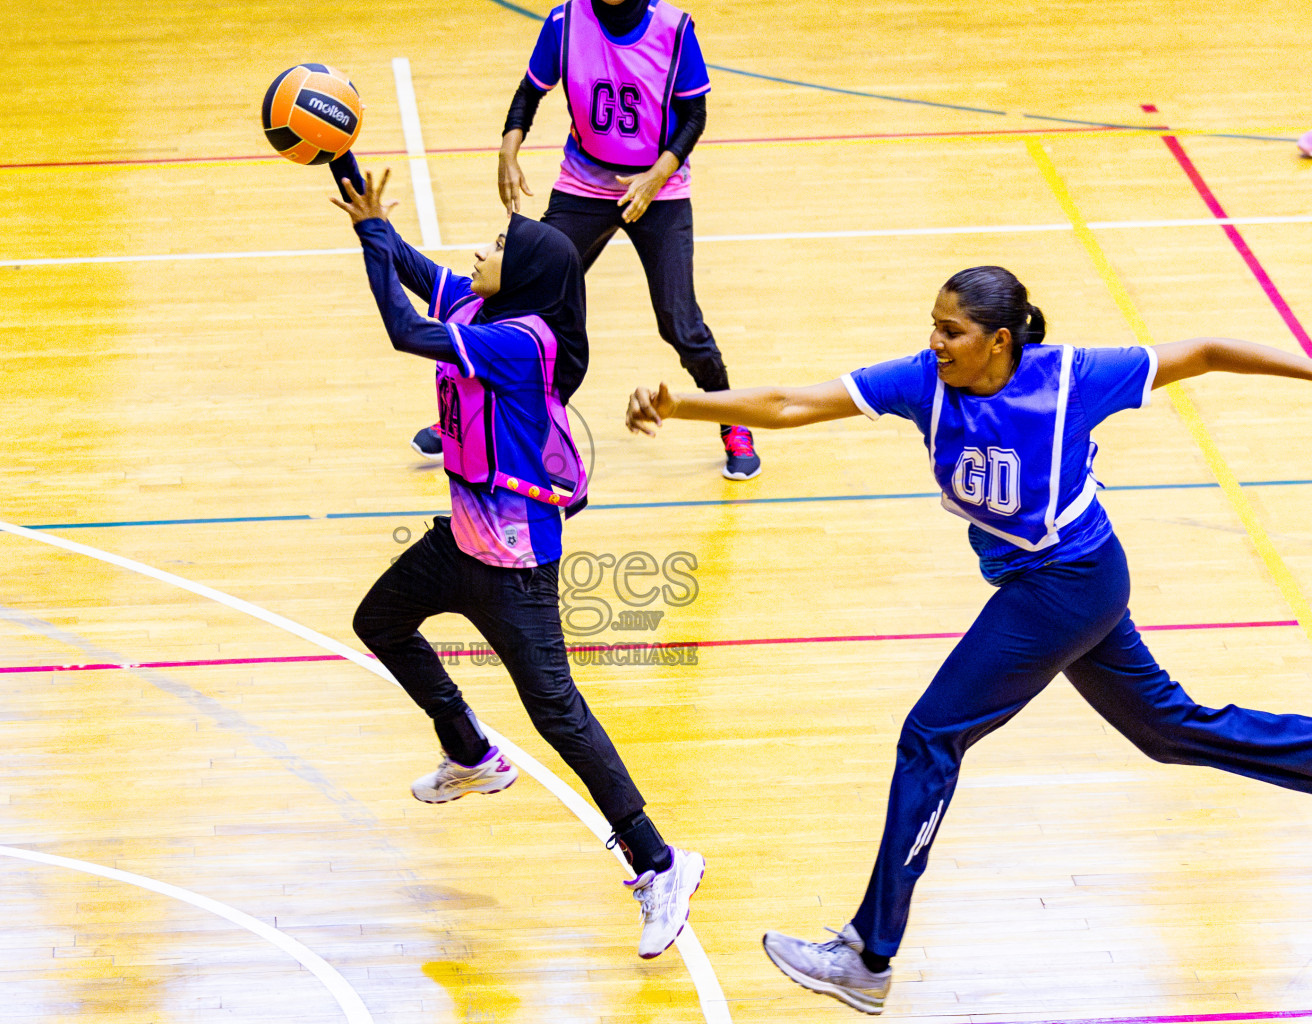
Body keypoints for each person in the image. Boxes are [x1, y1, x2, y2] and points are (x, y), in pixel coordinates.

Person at [626, 265, 1312, 1013]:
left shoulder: (1075, 377)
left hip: (1067, 581)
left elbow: (1207, 351)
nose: (935, 340)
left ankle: (868, 954)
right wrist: (684, 405)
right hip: (1062, 584)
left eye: (951, 329)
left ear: (1000, 341)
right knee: (1166, 729)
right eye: (933, 323)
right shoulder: (925, 382)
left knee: (930, 737)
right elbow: (792, 402)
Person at [326, 154, 705, 959]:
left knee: (558, 714)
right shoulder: (485, 303)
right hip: (460, 540)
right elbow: (424, 275)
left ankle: (662, 863)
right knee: (380, 621)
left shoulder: (522, 343)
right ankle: (470, 752)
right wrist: (369, 209)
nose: (476, 254)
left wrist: (367, 241)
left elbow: (403, 329)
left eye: (495, 244)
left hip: (515, 562)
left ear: (526, 271)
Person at [410, 0, 762, 481]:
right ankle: (475, 410)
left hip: (659, 189)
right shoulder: (566, 21)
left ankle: (734, 425)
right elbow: (529, 93)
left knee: (680, 322)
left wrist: (656, 177)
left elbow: (694, 115)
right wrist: (507, 151)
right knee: (523, 298)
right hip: (583, 183)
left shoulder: (673, 28)